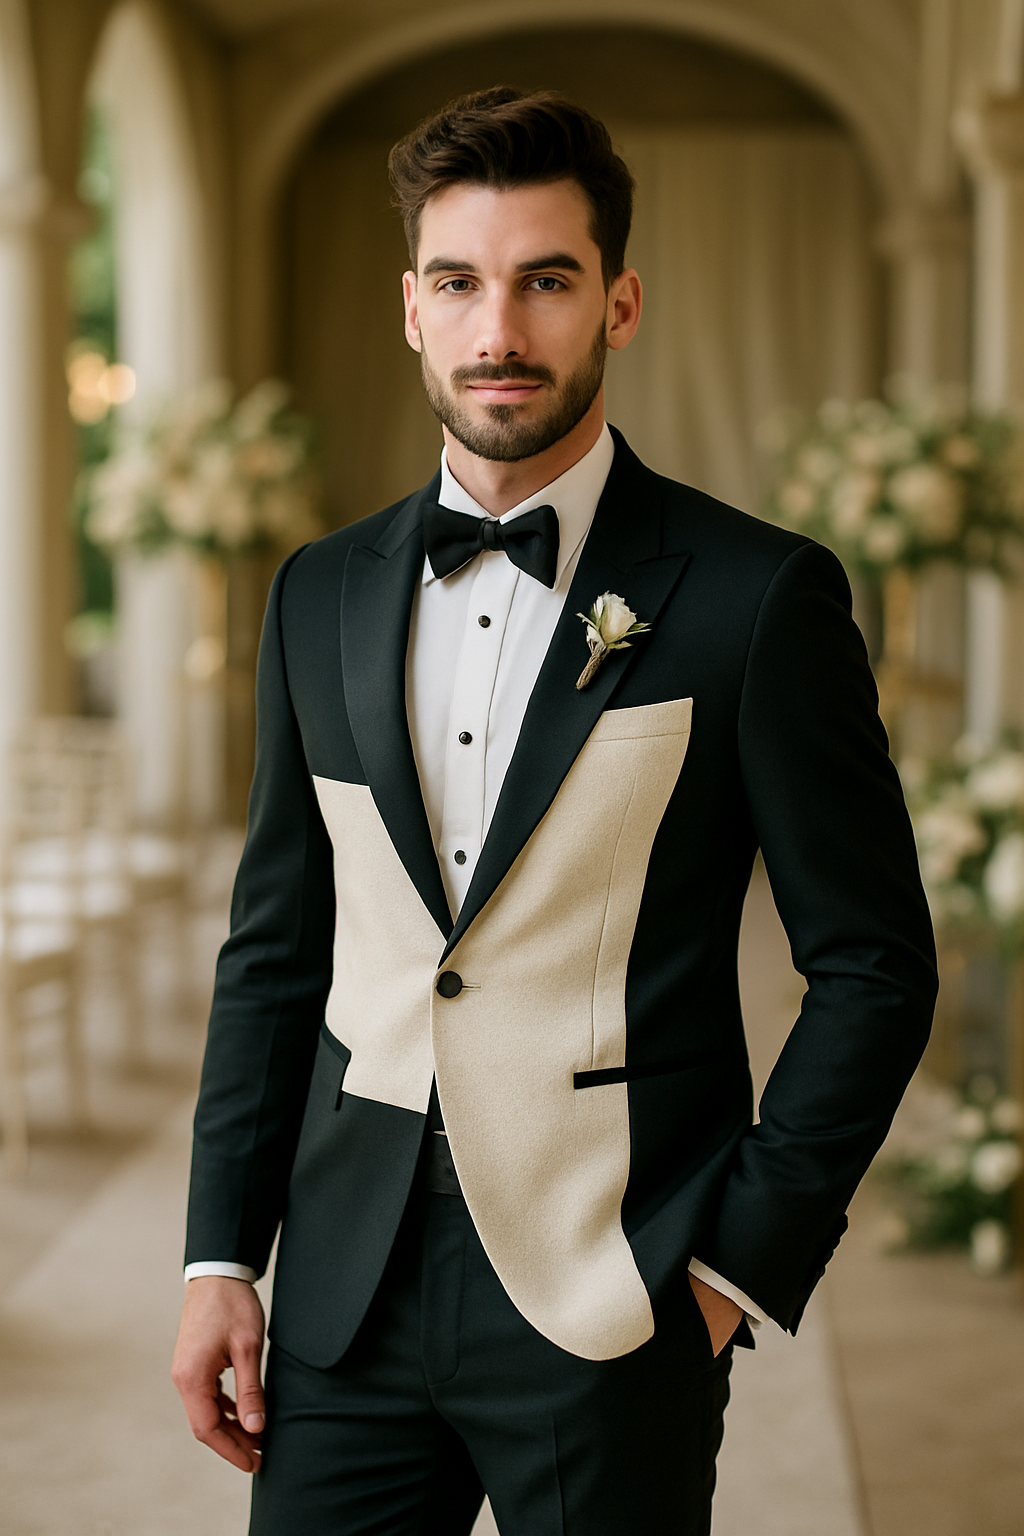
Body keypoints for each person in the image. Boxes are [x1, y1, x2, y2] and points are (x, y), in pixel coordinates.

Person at [172, 86, 937, 1535]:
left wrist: (731, 1271)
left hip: (615, 1295)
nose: (498, 330)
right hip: (341, 1292)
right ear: (410, 308)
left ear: (620, 302)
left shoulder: (758, 597)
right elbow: (274, 949)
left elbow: (876, 964)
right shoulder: (314, 592)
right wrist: (221, 1254)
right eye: (459, 283)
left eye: (546, 281)